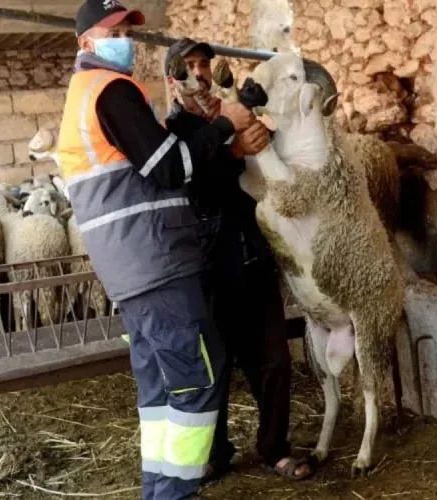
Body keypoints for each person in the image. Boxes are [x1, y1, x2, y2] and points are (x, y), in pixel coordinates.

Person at [56, 2, 257, 499]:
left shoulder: (84, 94)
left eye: (127, 30)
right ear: (87, 43)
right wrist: (226, 124)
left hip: (131, 271)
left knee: (161, 391)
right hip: (157, 264)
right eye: (114, 31)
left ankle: (157, 490)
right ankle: (174, 494)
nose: (124, 38)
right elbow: (169, 168)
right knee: (199, 378)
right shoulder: (113, 91)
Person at [163, 38, 315, 482]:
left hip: (250, 252)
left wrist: (263, 140)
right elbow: (189, 183)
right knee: (215, 366)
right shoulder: (172, 134)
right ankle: (217, 452)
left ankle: (274, 449)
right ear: (174, 78)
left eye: (204, 65)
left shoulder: (232, 114)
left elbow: (262, 167)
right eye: (190, 66)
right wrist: (233, 149)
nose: (201, 73)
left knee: (273, 360)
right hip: (206, 264)